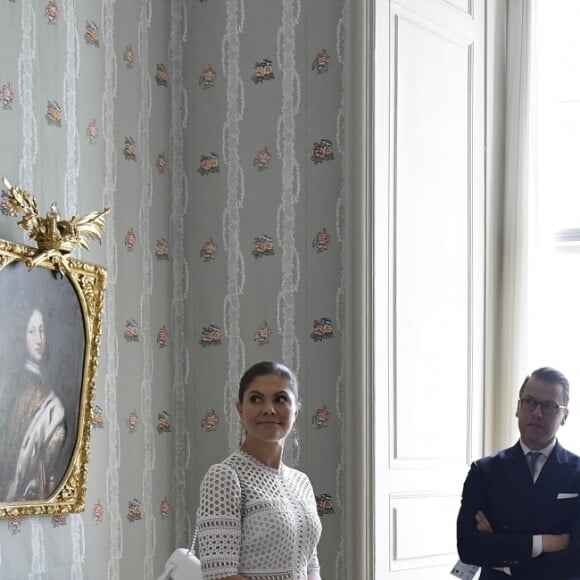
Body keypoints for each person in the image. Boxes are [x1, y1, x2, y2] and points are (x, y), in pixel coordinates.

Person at [197, 361, 322, 580]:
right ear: (240, 409)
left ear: (296, 411)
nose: (269, 409)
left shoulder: (302, 482)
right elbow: (220, 574)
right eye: (256, 399)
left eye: (280, 399)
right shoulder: (224, 476)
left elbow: (310, 564)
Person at [457, 367, 580, 579]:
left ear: (564, 416)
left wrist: (504, 559)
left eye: (549, 406)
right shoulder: (484, 471)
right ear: (518, 407)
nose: (537, 413)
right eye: (529, 402)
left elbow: (576, 561)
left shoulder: (577, 473)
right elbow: (469, 547)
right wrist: (546, 543)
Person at [0, 305, 67, 502]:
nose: (39, 339)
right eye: (31, 331)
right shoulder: (18, 388)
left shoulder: (44, 394)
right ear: (21, 336)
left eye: (42, 330)